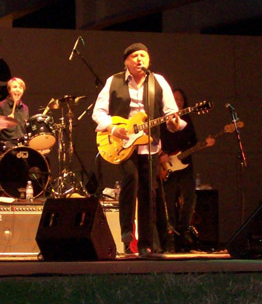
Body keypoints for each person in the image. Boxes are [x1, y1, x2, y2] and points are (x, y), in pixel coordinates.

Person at [92, 43, 183, 257]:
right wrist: (114, 129)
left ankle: (145, 243)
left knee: (148, 192)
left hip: (150, 145)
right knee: (131, 179)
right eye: (134, 56)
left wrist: (173, 122)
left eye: (143, 55)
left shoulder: (158, 81)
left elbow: (171, 115)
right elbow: (98, 112)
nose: (139, 59)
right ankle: (126, 233)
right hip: (123, 143)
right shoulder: (113, 81)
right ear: (126, 61)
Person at [157, 88, 215, 253]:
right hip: (167, 166)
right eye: (175, 99)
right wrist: (162, 155)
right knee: (168, 202)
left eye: (181, 100)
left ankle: (184, 232)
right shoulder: (162, 121)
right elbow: (155, 142)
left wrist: (205, 143)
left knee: (189, 199)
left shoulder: (187, 120)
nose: (178, 102)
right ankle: (170, 236)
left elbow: (193, 143)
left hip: (185, 166)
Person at [0, 77, 29, 150]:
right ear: (9, 90)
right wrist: (5, 123)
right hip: (5, 146)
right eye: (15, 87)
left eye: (20, 87)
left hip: (22, 145)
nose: (18, 89)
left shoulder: (25, 108)